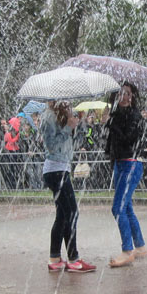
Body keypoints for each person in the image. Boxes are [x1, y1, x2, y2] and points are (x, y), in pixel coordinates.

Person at [39, 101, 95, 273]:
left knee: (63, 215)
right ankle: (73, 258)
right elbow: (51, 145)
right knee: (71, 212)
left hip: (60, 169)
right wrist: (67, 128)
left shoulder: (58, 115)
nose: (68, 103)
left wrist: (74, 124)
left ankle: (55, 257)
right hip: (56, 171)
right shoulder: (48, 116)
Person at [106, 82, 147, 267]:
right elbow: (112, 144)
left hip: (131, 164)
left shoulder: (135, 116)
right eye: (122, 94)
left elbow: (128, 140)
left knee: (118, 207)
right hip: (120, 164)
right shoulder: (116, 116)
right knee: (127, 207)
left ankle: (127, 251)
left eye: (129, 94)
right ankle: (140, 246)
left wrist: (110, 123)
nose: (126, 97)